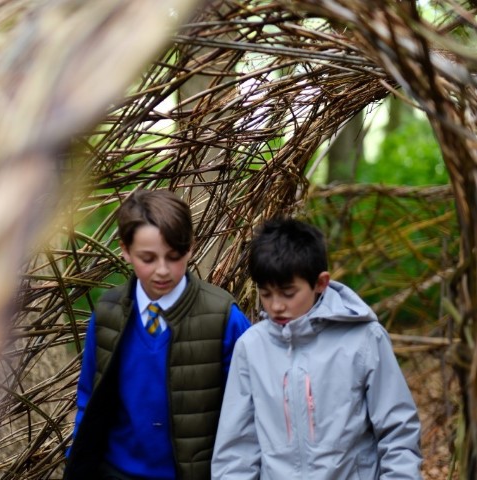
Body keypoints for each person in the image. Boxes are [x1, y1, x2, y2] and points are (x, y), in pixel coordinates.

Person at [211, 217, 423, 479]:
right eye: (266, 293)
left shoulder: (365, 339)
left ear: (320, 282)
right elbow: (236, 450)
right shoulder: (251, 347)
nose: (276, 305)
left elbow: (398, 433)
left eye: (288, 293)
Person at [64, 189, 251, 480]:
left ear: (190, 247)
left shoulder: (225, 319)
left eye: (173, 257)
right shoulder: (108, 314)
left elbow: (248, 414)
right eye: (148, 258)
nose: (162, 270)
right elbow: (89, 399)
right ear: (125, 250)